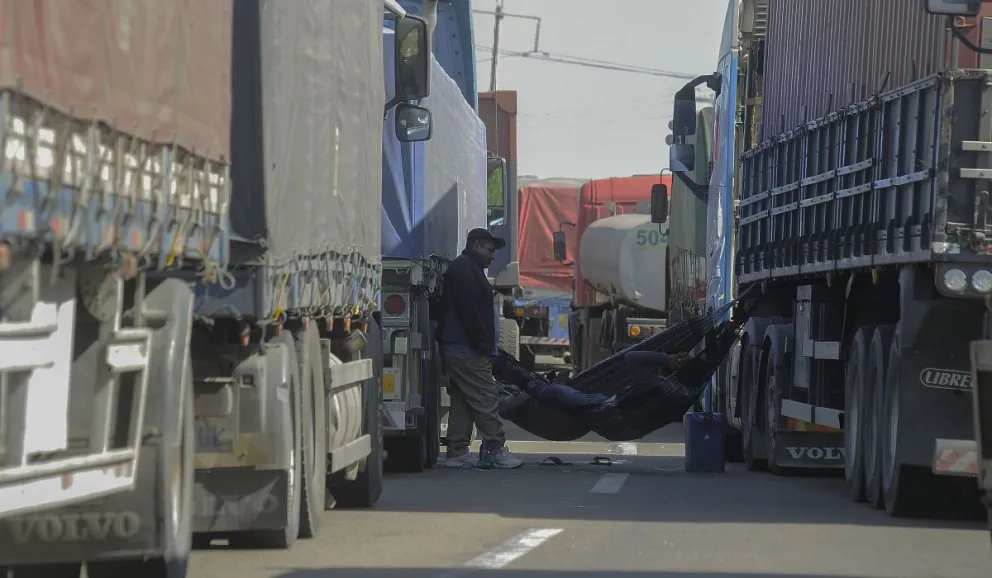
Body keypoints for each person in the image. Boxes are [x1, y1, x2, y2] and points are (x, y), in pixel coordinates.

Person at [436, 228, 522, 469]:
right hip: (466, 348)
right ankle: (497, 449)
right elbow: (469, 310)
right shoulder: (464, 269)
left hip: (463, 346)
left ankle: (457, 451)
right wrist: (482, 341)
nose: (492, 256)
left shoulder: (468, 269)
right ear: (477, 246)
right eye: (490, 250)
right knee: (485, 397)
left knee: (464, 398)